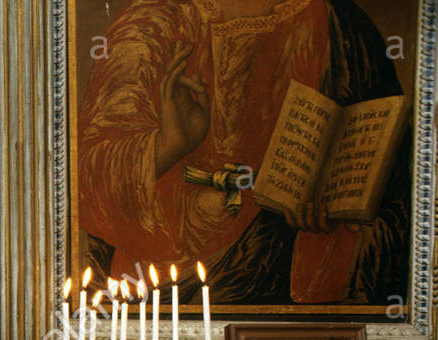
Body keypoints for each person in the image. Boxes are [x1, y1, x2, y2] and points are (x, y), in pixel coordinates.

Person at [78, 0, 409, 305]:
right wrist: (169, 144)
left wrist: (337, 211)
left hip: (287, 271)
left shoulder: (342, 24)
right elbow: (89, 183)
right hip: (166, 282)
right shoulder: (152, 22)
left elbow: (395, 188)